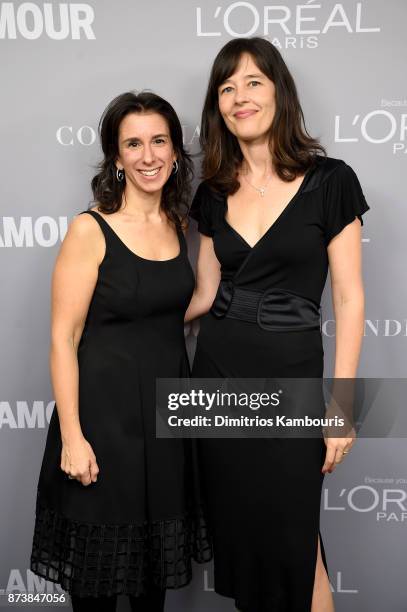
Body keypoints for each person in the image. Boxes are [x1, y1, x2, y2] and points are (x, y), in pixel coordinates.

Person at [186, 37, 370, 612]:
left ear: (279, 92)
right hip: (218, 376)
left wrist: (340, 409)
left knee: (297, 540)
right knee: (244, 538)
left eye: (253, 82)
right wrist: (122, 312)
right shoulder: (213, 193)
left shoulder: (332, 180)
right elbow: (204, 294)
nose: (240, 97)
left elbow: (349, 297)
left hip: (290, 377)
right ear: (218, 105)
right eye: (227, 87)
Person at [30, 91, 211, 612]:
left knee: (151, 588)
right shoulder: (90, 230)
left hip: (163, 430)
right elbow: (63, 339)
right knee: (96, 590)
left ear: (176, 152)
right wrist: (73, 438)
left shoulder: (178, 226)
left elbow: (170, 307)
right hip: (102, 430)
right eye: (134, 143)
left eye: (159, 141)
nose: (148, 155)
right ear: (116, 156)